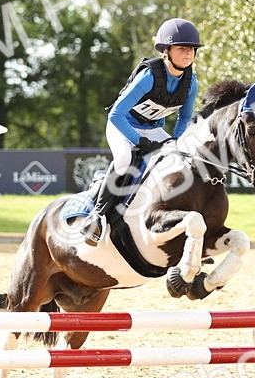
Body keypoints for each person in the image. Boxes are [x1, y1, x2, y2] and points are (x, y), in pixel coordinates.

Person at [79, 17, 202, 245]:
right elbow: (115, 114)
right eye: (182, 48)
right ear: (166, 51)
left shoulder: (191, 83)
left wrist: (175, 142)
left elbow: (185, 117)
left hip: (154, 129)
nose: (188, 53)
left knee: (181, 161)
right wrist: (138, 141)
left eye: (192, 49)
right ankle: (96, 217)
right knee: (124, 160)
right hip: (123, 125)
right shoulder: (149, 77)